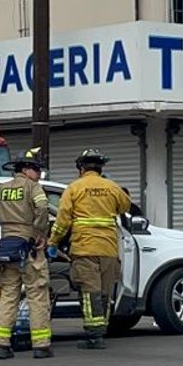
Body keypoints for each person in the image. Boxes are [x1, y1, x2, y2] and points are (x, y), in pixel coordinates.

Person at [49, 147, 132, 350]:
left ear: (81, 168)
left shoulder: (74, 188)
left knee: (89, 292)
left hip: (85, 248)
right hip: (108, 249)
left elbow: (62, 220)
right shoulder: (112, 187)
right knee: (104, 293)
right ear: (101, 168)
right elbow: (126, 207)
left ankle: (94, 335)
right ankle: (101, 331)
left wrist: (53, 241)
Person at [0, 147, 53, 359]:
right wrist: (39, 234)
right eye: (37, 170)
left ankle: (1, 344)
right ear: (27, 169)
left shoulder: (0, 189)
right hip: (29, 248)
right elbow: (44, 208)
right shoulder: (33, 188)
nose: (39, 174)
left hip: (7, 248)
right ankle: (41, 345)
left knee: (9, 295)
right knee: (37, 295)